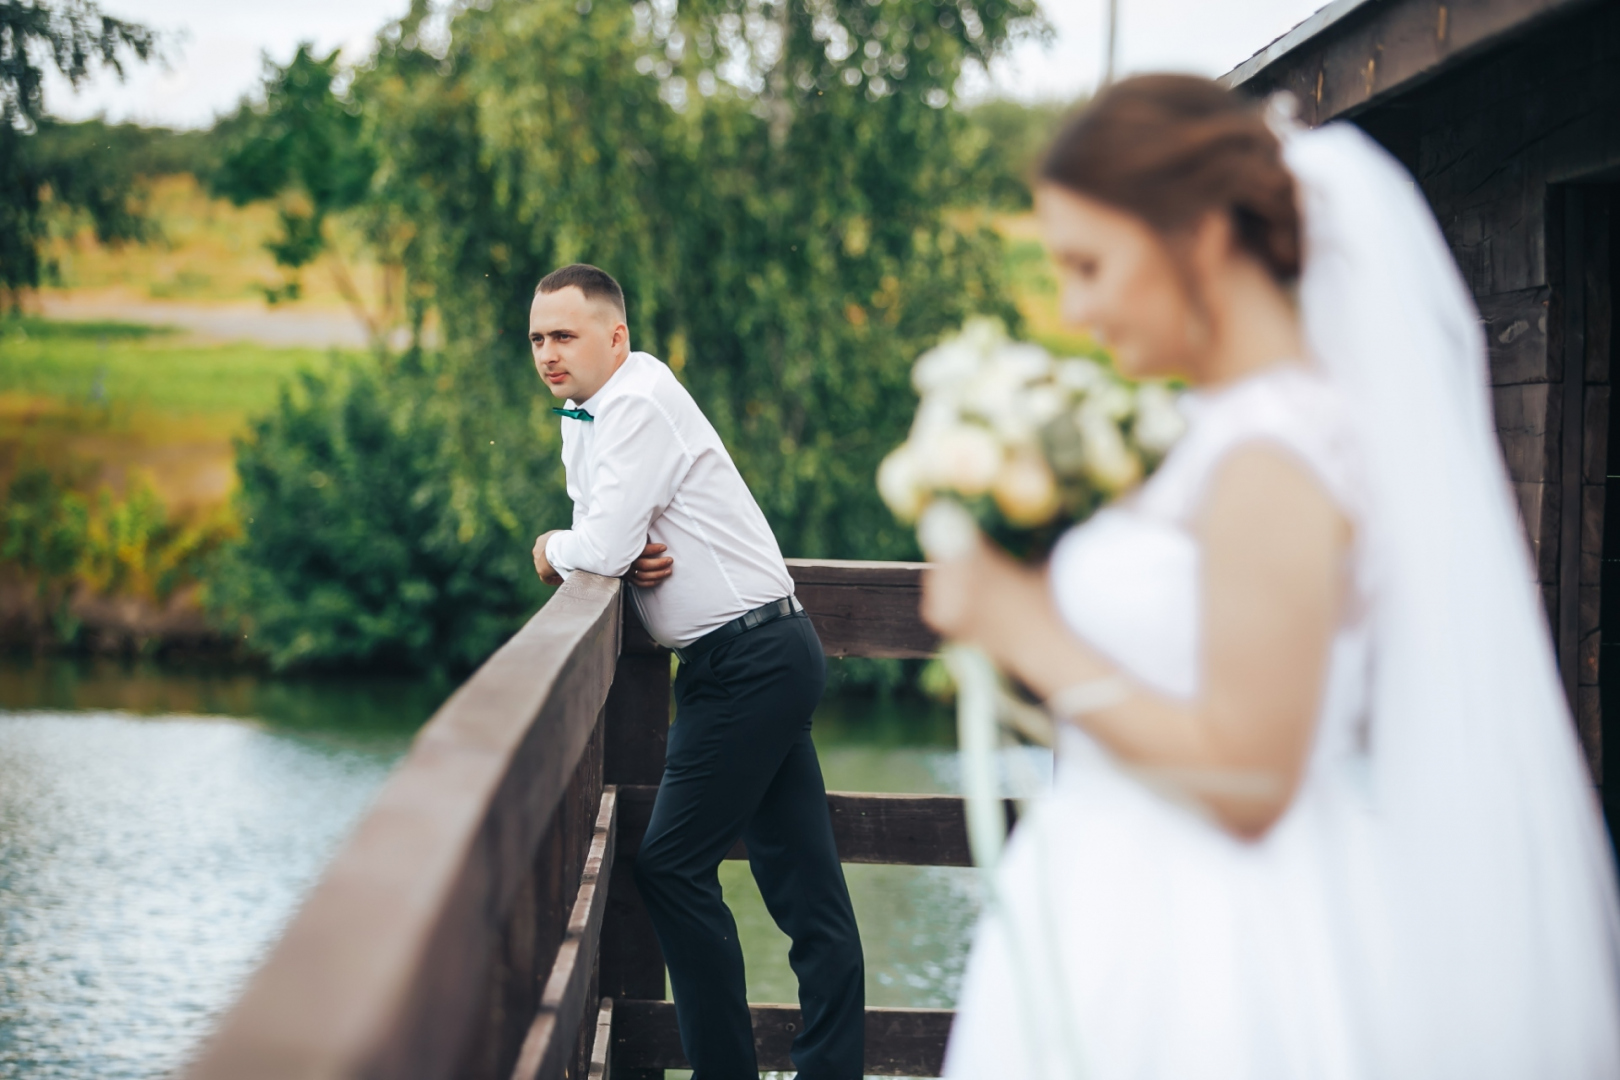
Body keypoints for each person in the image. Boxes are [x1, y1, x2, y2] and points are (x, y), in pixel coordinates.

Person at [924, 76, 1620, 1078]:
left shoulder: (1276, 456)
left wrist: (1024, 626)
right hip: (1125, 896)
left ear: (1199, 235)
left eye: (1089, 264)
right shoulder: (1226, 435)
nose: (1074, 306)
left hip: (1209, 945)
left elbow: (1251, 773)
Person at [528, 263, 865, 1080]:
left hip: (748, 660)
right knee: (806, 892)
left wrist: (549, 551)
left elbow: (598, 544)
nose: (547, 354)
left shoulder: (637, 402)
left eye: (564, 336)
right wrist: (607, 538)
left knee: (672, 866)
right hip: (750, 657)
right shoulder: (597, 409)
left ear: (616, 337)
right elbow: (609, 528)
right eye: (537, 338)